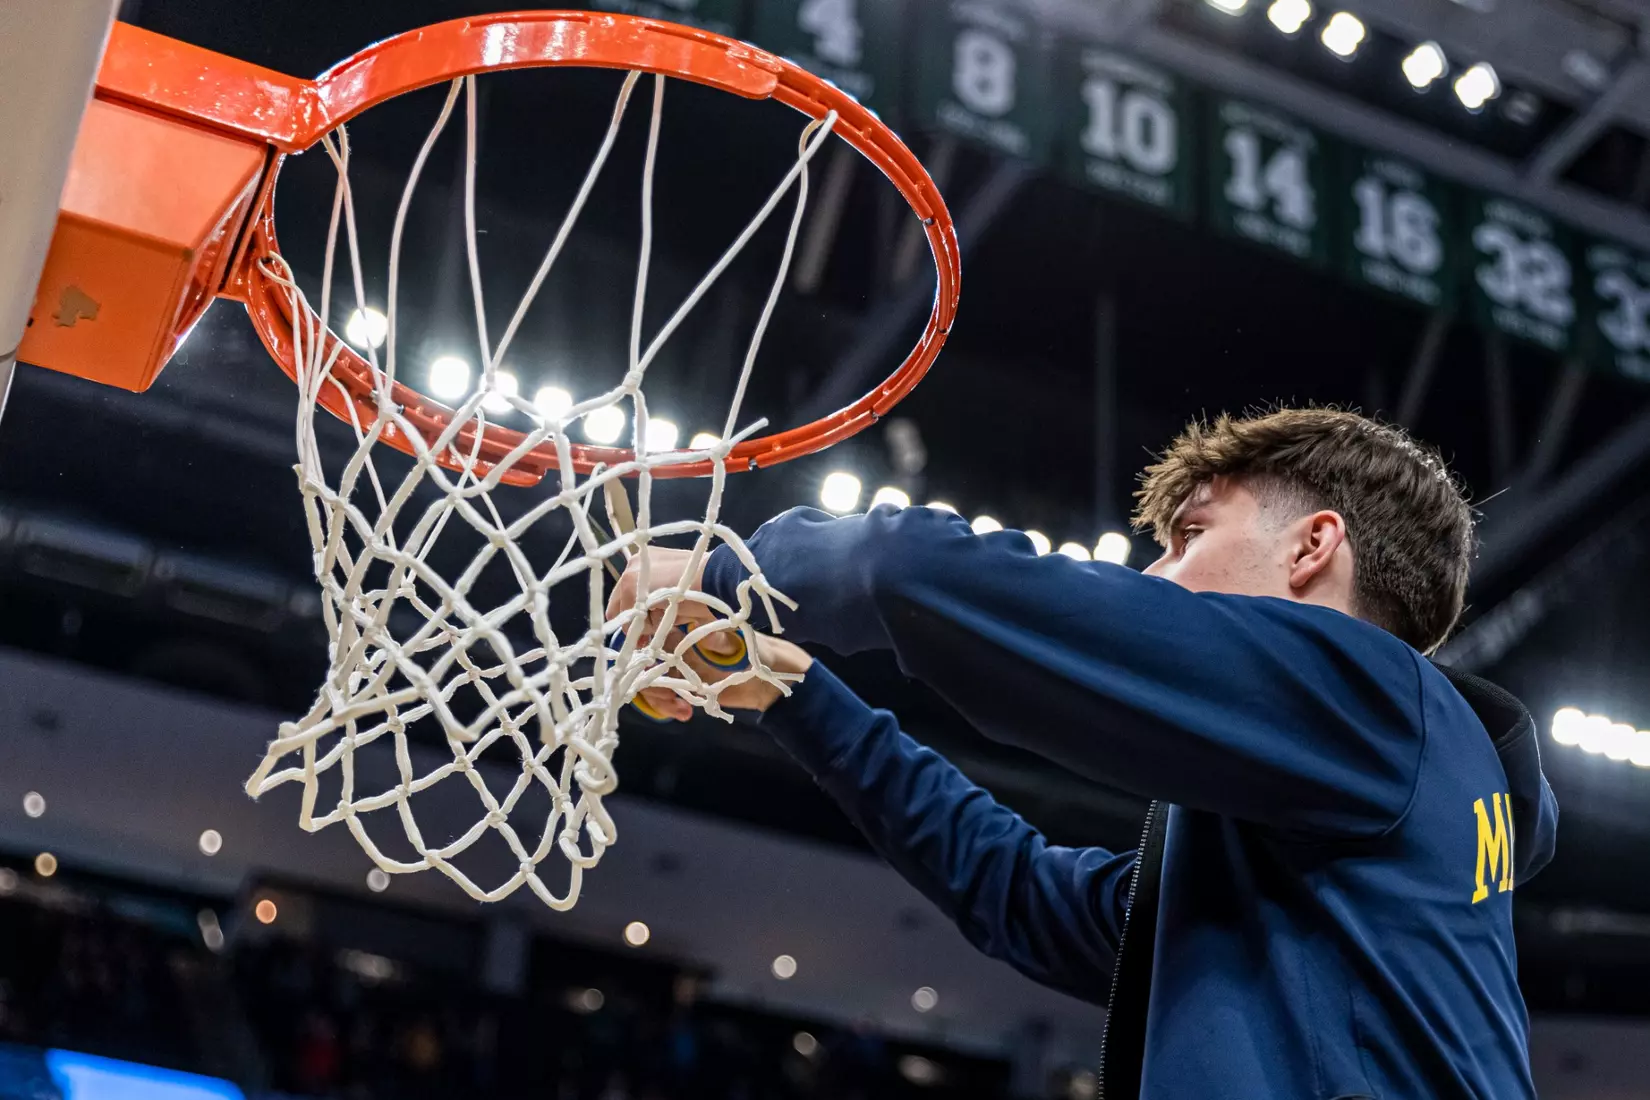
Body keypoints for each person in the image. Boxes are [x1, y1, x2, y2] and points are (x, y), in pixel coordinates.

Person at [617, 407, 1558, 1100]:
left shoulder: (1381, 698)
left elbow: (914, 567)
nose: (1156, 572)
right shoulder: (1338, 820)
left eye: (1191, 535)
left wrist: (731, 570)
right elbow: (1021, 894)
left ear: (1313, 547)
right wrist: (793, 693)